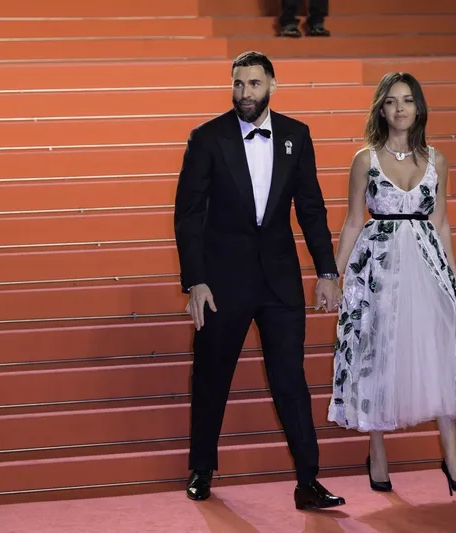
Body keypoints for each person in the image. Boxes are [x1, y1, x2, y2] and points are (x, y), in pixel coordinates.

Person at [173, 50, 346, 511]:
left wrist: (327, 271)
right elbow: (187, 216)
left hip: (279, 281)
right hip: (222, 282)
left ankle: (308, 481)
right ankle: (201, 469)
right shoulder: (206, 138)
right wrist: (196, 282)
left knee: (291, 379)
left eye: (253, 84)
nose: (244, 93)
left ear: (272, 84)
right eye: (237, 84)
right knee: (212, 376)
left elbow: (310, 208)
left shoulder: (296, 135)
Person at [326, 72, 456, 495]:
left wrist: (454, 276)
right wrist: (331, 275)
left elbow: (441, 223)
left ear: (419, 108)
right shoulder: (366, 159)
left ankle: (452, 458)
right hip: (377, 267)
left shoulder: (438, 160)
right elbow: (354, 221)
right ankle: (377, 452)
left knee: (437, 351)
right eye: (392, 101)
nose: (400, 108)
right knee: (379, 352)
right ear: (381, 109)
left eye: (408, 101)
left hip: (428, 264)